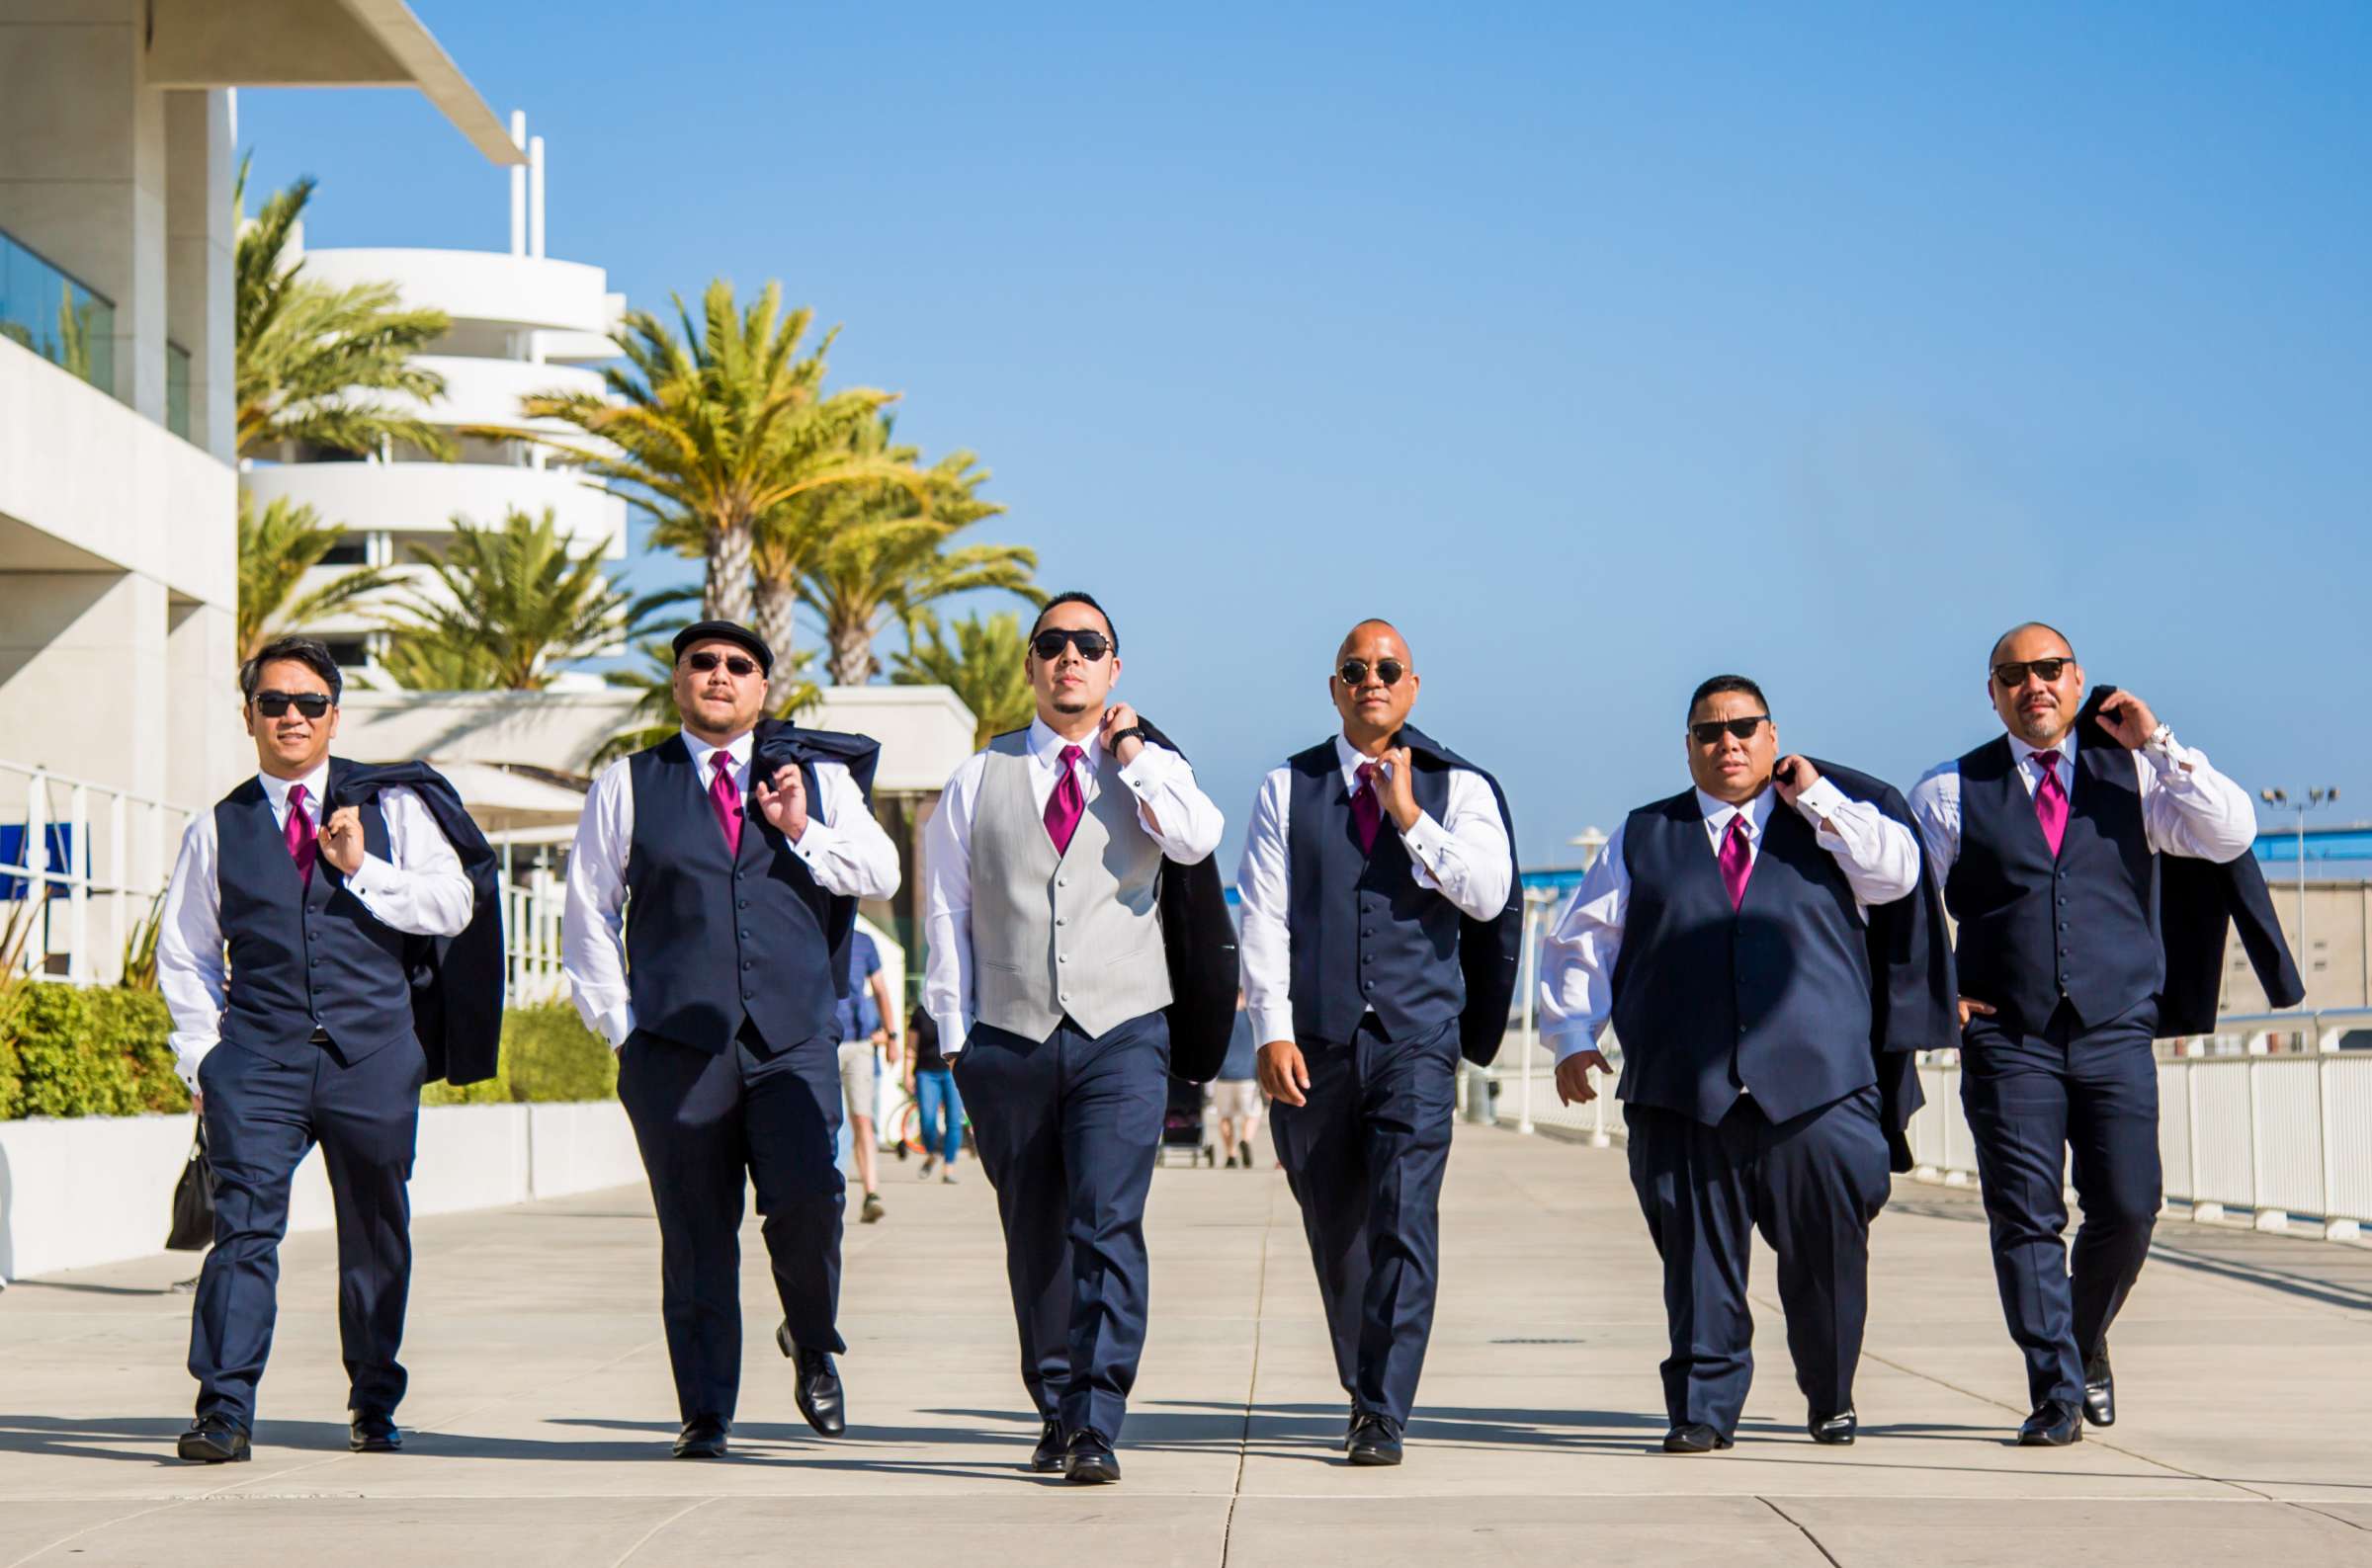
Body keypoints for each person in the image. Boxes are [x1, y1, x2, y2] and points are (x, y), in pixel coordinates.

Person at [1540, 675, 1924, 1454]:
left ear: (1773, 736)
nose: (1729, 743)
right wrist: (1574, 1036)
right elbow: (1584, 941)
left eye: (1744, 727)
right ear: (1688, 747)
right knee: (1696, 1262)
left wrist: (1817, 797)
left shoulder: (1829, 824)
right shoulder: (1642, 834)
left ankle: (1831, 1391)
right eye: (1710, 732)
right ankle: (1703, 1408)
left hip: (1818, 1093)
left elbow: (1900, 873)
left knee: (1828, 1257)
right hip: (1685, 1093)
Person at [1909, 623, 2255, 1445]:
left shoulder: (2136, 773)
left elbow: (2230, 832)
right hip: (2008, 1034)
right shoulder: (1950, 789)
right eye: (2015, 674)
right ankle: (2056, 1393)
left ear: (2079, 679)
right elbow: (1902, 900)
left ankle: (2082, 1336)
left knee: (2130, 1208)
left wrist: (2160, 741)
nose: (2036, 684)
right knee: (2025, 1218)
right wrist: (1941, 991)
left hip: (2113, 1031)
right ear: (1992, 693)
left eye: (2051, 669)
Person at [562, 619, 900, 1459]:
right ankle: (704, 1410)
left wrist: (800, 829)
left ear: (762, 686)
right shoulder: (630, 783)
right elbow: (589, 914)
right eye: (702, 663)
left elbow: (882, 873)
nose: (719, 674)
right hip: (675, 1048)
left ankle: (812, 1337)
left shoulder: (816, 778)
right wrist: (623, 1032)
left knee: (810, 1198)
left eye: (738, 665)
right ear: (679, 681)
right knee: (696, 1230)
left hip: (792, 1039)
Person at [922, 590, 1225, 1484]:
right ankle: (1054, 1404)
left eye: (1089, 644)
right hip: (1007, 1037)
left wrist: (1131, 752)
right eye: (1053, 644)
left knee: (1107, 1221)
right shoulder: (978, 778)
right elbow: (947, 909)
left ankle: (1095, 1417)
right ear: (1030, 664)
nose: (1070, 657)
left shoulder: (1148, 769)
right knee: (1035, 1234)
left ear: (1113, 668)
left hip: (1124, 1029)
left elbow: (1198, 839)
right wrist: (953, 1038)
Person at [158, 636, 476, 1463]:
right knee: (244, 1230)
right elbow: (186, 954)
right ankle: (223, 1408)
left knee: (376, 1231)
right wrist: (204, 1059)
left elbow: (453, 904)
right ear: (249, 716)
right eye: (274, 702)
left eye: (309, 703)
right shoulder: (215, 828)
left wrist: (363, 865)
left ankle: (374, 1399)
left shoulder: (394, 807)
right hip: (257, 1061)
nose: (291, 716)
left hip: (372, 1055)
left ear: (335, 716)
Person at [1235, 619, 1515, 1465]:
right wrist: (1271, 1030)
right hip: (1314, 1042)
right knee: (1336, 1229)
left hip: (1415, 1037)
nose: (1372, 680)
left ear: (1413, 685)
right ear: (1335, 688)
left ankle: (1381, 1408)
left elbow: (1490, 892)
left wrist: (1410, 819)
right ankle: (1366, 1385)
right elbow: (1264, 916)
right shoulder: (1287, 784)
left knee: (1404, 1216)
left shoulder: (1459, 785)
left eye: (1387, 668)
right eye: (1355, 669)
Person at [837, 928, 901, 1222]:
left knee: (862, 1118)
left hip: (859, 1044)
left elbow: (880, 989)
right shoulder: (812, 928)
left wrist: (892, 1036)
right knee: (827, 1120)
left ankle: (871, 1193)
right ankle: (830, 1191)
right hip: (819, 1043)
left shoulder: (864, 942)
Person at [904, 1005, 964, 1181]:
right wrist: (908, 1074)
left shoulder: (956, 1010)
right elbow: (911, 1047)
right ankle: (934, 1151)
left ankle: (948, 1169)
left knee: (954, 1121)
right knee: (927, 1120)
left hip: (952, 1072)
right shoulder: (920, 1013)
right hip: (926, 1073)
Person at [1213, 994, 1261, 1170]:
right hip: (1247, 1076)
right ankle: (1246, 1139)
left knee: (1225, 1117)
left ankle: (1231, 1154)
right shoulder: (1251, 1018)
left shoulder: (1220, 1018)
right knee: (1253, 1113)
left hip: (1223, 1075)